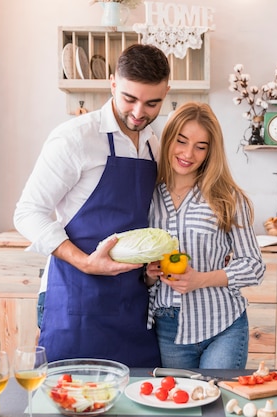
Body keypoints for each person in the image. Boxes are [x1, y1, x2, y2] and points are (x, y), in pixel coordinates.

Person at [13, 44, 170, 367]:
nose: (139, 112)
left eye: (152, 103)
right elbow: (28, 212)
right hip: (76, 297)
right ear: (112, 83)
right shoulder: (75, 138)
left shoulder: (155, 144)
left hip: (132, 303)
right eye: (129, 98)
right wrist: (85, 262)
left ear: (166, 93)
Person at [144, 102, 266, 369]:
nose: (189, 153)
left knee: (218, 405)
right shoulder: (148, 196)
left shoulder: (228, 197)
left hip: (223, 325)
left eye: (201, 146)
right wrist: (149, 275)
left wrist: (200, 279)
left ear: (211, 151)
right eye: (182, 141)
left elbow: (254, 266)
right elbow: (142, 270)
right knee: (181, 405)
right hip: (169, 329)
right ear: (168, 139)